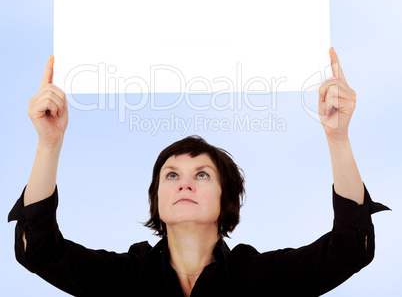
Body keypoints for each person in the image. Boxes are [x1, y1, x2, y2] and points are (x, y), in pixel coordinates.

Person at [8, 49, 391, 297]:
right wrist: (49, 145)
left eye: (202, 174)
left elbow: (348, 250)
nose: (185, 182)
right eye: (171, 175)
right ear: (156, 201)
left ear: (227, 199)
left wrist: (338, 138)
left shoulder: (258, 278)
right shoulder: (127, 279)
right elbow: (38, 250)